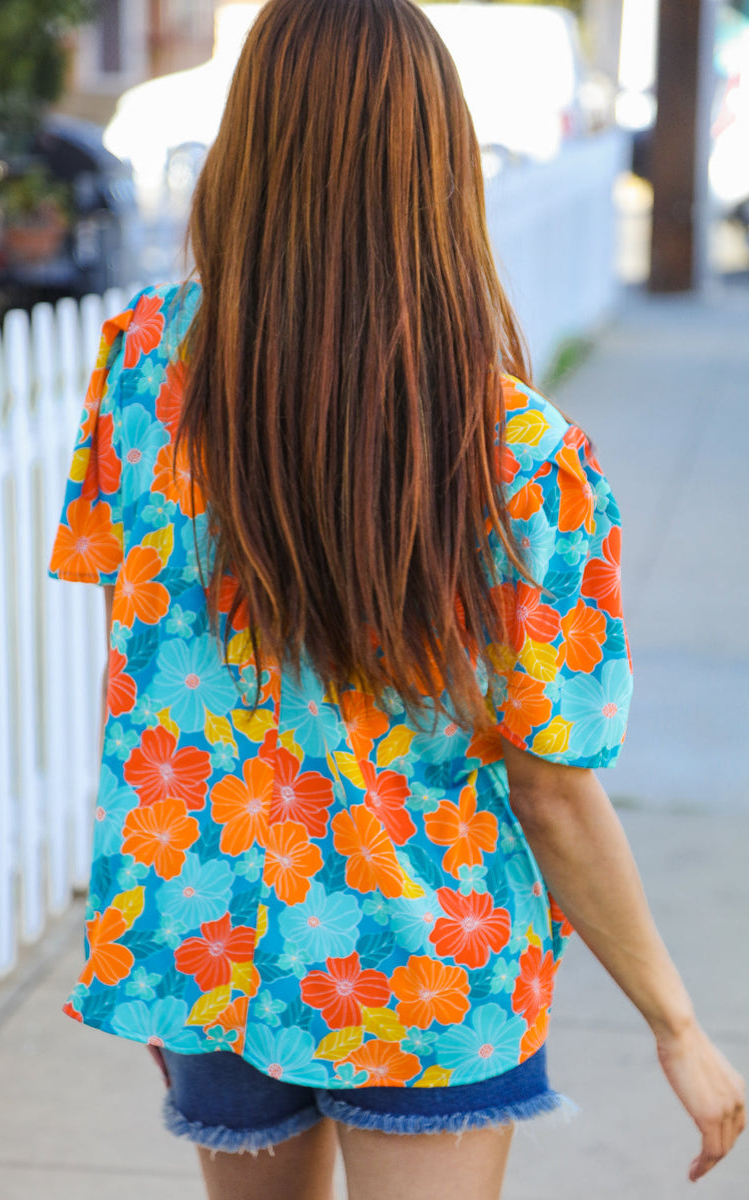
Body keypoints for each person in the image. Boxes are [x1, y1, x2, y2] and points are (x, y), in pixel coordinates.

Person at [47, 1, 745, 1197]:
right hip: (421, 961)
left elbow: (147, 653)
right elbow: (549, 783)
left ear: (249, 143)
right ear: (435, 169)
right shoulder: (519, 453)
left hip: (215, 934)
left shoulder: (141, 369)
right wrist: (674, 1024)